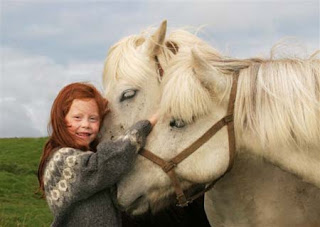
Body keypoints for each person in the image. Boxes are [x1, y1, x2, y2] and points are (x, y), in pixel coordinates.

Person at [37, 82, 157, 227]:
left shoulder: (85, 156)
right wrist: (144, 127)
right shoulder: (60, 160)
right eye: (77, 118)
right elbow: (100, 165)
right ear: (61, 119)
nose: (86, 124)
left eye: (93, 118)